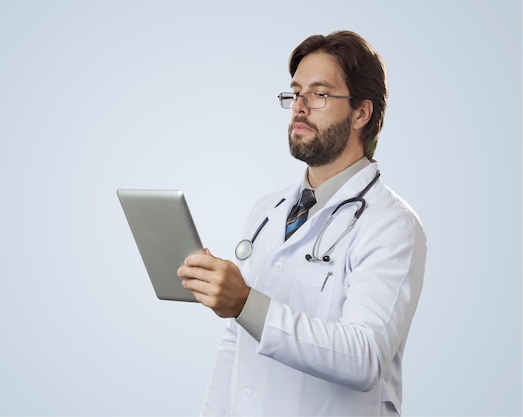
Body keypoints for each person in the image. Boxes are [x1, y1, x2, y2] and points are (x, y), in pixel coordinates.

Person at [177, 30, 427, 416]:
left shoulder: (391, 224)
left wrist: (245, 303)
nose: (300, 106)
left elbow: (364, 357)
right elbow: (235, 343)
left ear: (362, 112)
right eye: (296, 93)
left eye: (320, 94)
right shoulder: (267, 211)